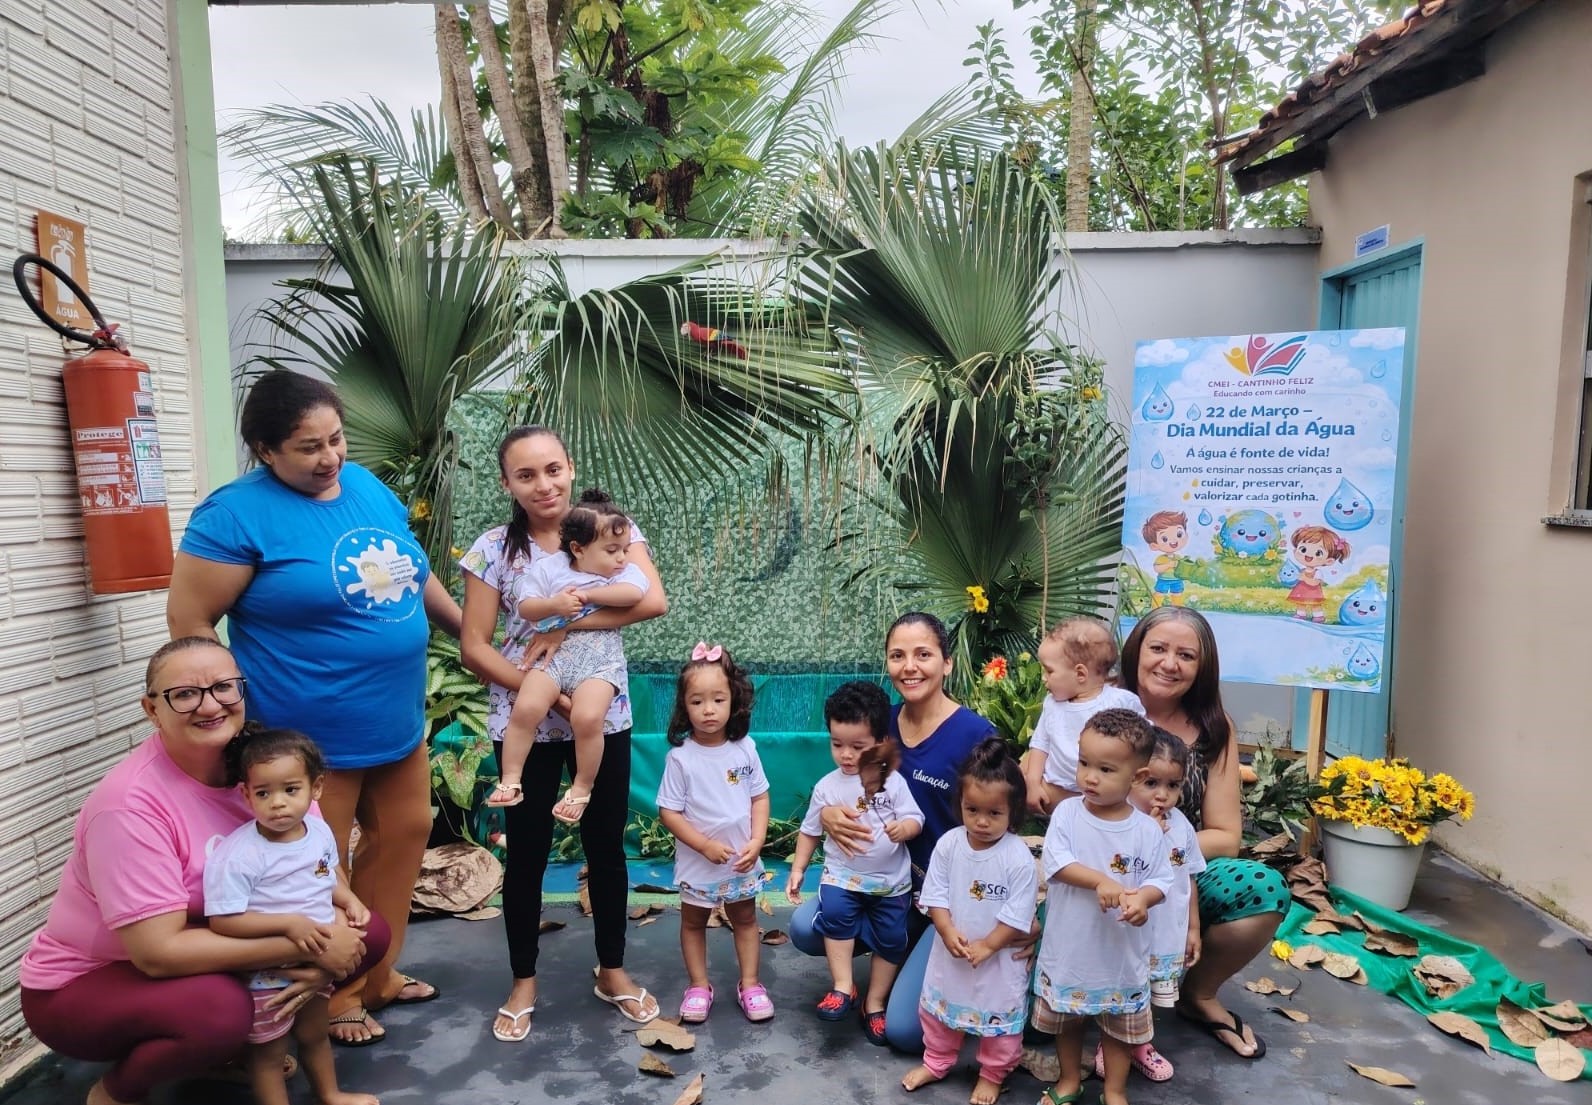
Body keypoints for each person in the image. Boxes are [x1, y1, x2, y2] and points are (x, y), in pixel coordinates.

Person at [167, 369, 458, 1045]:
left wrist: (469, 640)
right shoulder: (235, 513)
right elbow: (190, 621)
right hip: (303, 739)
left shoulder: (362, 485)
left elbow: (413, 570)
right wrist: (227, 720)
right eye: (308, 446)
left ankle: (379, 971)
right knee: (314, 871)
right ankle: (334, 994)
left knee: (403, 838)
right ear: (266, 450)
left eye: (336, 438)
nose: (330, 457)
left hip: (393, 721)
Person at [19, 637, 389, 1105]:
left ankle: (228, 1056)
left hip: (221, 946)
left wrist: (327, 951)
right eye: (185, 693)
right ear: (151, 710)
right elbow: (158, 952)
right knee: (217, 1012)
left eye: (223, 687)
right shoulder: (130, 806)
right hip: (93, 983)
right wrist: (314, 947)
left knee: (365, 932)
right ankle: (117, 1092)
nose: (209, 704)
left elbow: (316, 866)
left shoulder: (267, 769)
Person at [460, 426, 668, 1044]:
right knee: (524, 853)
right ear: (507, 484)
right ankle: (523, 979)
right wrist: (545, 689)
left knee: (607, 846)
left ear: (571, 467)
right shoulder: (494, 548)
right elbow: (474, 645)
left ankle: (613, 969)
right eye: (526, 476)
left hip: (600, 719)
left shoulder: (611, 528)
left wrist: (570, 629)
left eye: (553, 469)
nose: (543, 485)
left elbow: (652, 601)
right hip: (525, 715)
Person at [790, 611, 998, 1052]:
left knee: (904, 1033)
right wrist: (826, 816)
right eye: (897, 655)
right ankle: (867, 973)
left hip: (944, 900)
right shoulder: (878, 722)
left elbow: (1000, 825)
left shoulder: (976, 735)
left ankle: (890, 982)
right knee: (806, 927)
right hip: (886, 883)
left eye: (923, 654)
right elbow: (837, 781)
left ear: (947, 663)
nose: (910, 666)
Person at [1119, 605, 1290, 1060]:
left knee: (1262, 889)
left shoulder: (1215, 729)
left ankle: (1196, 994)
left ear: (1203, 667)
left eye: (1186, 655)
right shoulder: (1102, 710)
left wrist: (1159, 848)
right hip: (1100, 871)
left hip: (1181, 874)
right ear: (1136, 651)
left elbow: (1225, 836)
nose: (1169, 663)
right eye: (1157, 648)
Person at [204, 725, 377, 1105]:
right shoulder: (239, 855)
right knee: (268, 1056)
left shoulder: (317, 831)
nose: (278, 803)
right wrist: (288, 923)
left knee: (315, 1034)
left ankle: (330, 1094)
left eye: (290, 790)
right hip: (267, 975)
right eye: (264, 793)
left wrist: (348, 899)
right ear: (247, 794)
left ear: (315, 788)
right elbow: (223, 921)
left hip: (315, 959)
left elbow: (324, 874)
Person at [1032, 708, 1173, 1105]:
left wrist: (1143, 900)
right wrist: (1100, 880)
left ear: (1138, 777)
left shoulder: (1145, 829)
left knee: (1117, 1030)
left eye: (1106, 769)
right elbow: (1057, 864)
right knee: (1069, 1022)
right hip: (1072, 952)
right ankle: (1069, 1080)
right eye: (1083, 763)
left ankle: (1114, 1091)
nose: (1090, 777)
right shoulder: (1067, 815)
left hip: (1120, 956)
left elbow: (1161, 879)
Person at [488, 488, 651, 824]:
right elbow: (528, 606)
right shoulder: (551, 568)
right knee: (527, 706)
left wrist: (585, 597)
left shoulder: (623, 573)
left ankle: (581, 787)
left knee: (588, 718)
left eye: (623, 549)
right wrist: (554, 605)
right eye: (612, 550)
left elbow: (636, 594)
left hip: (599, 664)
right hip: (553, 660)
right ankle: (510, 779)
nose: (622, 557)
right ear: (578, 548)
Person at [901, 738, 1036, 1105]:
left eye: (994, 813)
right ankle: (937, 1060)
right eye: (972, 809)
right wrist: (945, 931)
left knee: (1000, 1026)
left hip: (999, 960)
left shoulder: (1017, 856)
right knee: (938, 1013)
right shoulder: (949, 844)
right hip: (952, 951)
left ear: (1013, 811)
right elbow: (936, 895)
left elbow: (1018, 913)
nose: (981, 821)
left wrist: (990, 944)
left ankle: (993, 1074)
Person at [787, 681, 923, 1039]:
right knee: (834, 917)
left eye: (857, 746)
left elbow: (916, 817)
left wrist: (903, 828)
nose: (846, 755)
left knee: (894, 938)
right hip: (842, 877)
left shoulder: (893, 782)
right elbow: (810, 830)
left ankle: (874, 1002)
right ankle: (843, 986)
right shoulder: (827, 787)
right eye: (837, 744)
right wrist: (799, 868)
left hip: (890, 884)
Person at [655, 645, 773, 1024]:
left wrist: (756, 841)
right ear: (683, 706)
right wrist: (703, 845)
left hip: (740, 862)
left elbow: (759, 796)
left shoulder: (745, 748)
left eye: (718, 699)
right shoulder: (681, 758)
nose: (708, 709)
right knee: (692, 922)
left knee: (745, 920)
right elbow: (668, 812)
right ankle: (698, 986)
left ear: (733, 700)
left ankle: (751, 984)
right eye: (697, 701)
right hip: (699, 864)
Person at [1090, 727, 1205, 1085]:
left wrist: (1193, 928)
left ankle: (1140, 1046)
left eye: (1172, 786)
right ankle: (1108, 1046)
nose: (1163, 795)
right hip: (1129, 930)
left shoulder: (1182, 827)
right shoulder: (1122, 825)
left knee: (1150, 994)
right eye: (1152, 783)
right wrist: (1148, 832)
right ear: (1133, 776)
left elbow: (1188, 877)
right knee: (1123, 990)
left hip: (1165, 933)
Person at [1024, 616, 1147, 815]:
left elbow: (1145, 745)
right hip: (1056, 791)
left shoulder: (1119, 702)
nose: (1044, 679)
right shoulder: (1053, 705)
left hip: (1107, 796)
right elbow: (1040, 744)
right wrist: (1032, 783)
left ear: (1080, 674)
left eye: (1049, 671)